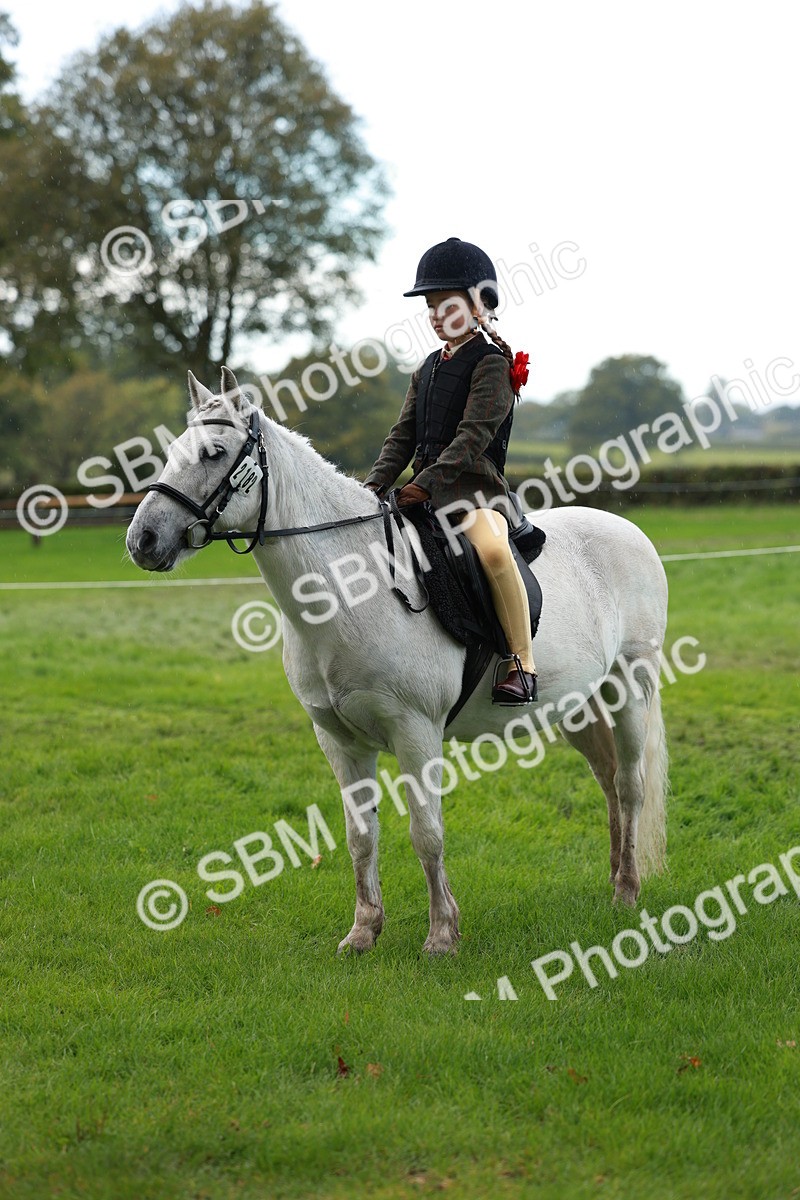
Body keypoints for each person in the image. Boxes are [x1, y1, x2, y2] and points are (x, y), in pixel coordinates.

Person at [363, 236, 537, 704]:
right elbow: (402, 436)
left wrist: (423, 484)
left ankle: (521, 663)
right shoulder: (426, 368)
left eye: (446, 305)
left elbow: (471, 439)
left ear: (478, 307)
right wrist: (374, 484)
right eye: (431, 307)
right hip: (422, 495)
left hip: (476, 495)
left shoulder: (493, 365)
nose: (436, 316)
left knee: (494, 552)